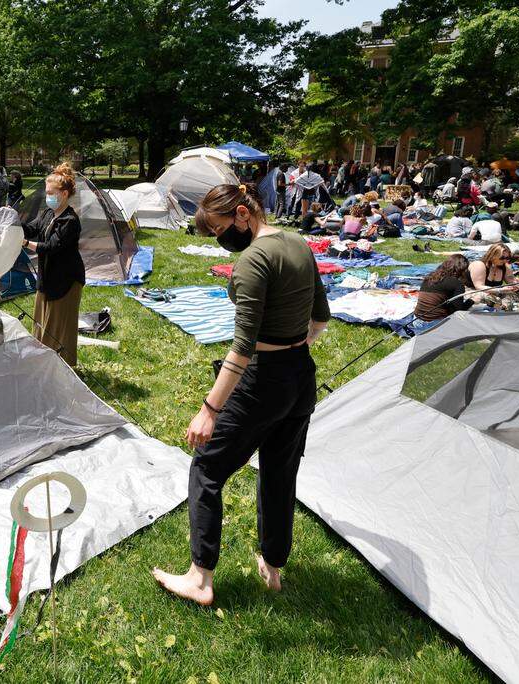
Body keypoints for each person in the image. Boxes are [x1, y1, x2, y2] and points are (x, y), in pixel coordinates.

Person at [151, 182, 329, 606]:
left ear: (243, 214)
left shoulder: (252, 261)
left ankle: (200, 578)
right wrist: (291, 345)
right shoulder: (298, 243)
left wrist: (210, 409)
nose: (220, 239)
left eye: (218, 229)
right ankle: (272, 566)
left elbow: (242, 347)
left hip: (262, 380)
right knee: (279, 472)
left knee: (207, 468)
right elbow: (320, 318)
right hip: (300, 375)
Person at [22, 163, 85, 367]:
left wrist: (24, 243)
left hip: (66, 280)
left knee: (59, 327)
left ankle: (61, 366)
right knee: (41, 321)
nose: (47, 196)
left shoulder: (70, 220)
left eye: (51, 193)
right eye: (46, 192)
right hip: (47, 277)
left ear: (64, 194)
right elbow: (32, 228)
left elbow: (51, 246)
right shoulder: (49, 214)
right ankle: (42, 362)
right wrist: (13, 224)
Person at [415, 255, 475, 321]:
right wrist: (472, 300)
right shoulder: (457, 284)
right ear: (462, 270)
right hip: (436, 323)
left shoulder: (429, 277)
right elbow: (458, 311)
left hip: (417, 318)